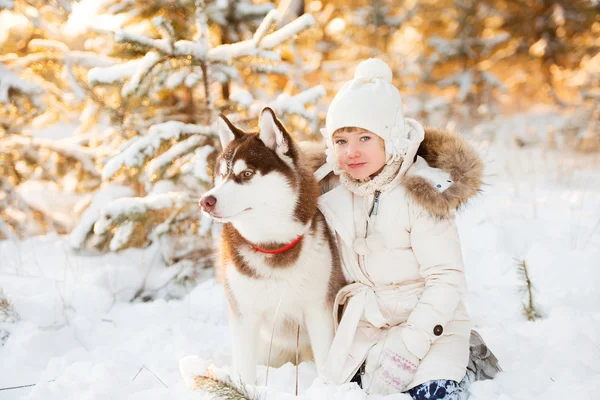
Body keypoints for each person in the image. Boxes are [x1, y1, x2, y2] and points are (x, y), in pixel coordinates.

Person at [315, 58, 494, 399]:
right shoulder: (333, 198)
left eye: (365, 137)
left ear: (392, 139)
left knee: (429, 391)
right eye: (341, 141)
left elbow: (447, 278)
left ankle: (465, 362)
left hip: (429, 326)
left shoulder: (420, 195)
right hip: (368, 327)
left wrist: (412, 344)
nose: (352, 152)